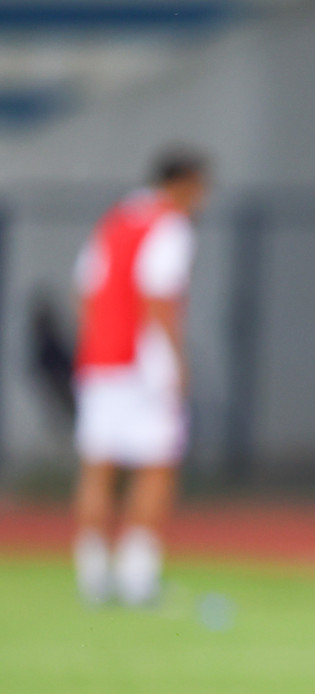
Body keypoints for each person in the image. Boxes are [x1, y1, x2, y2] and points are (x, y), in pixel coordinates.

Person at [72, 148, 208, 607]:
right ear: (184, 183)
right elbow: (159, 297)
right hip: (143, 363)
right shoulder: (169, 225)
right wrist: (175, 359)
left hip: (99, 359)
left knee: (98, 465)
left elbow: (84, 291)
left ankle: (92, 574)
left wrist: (98, 342)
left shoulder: (115, 221)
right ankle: (137, 575)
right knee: (156, 467)